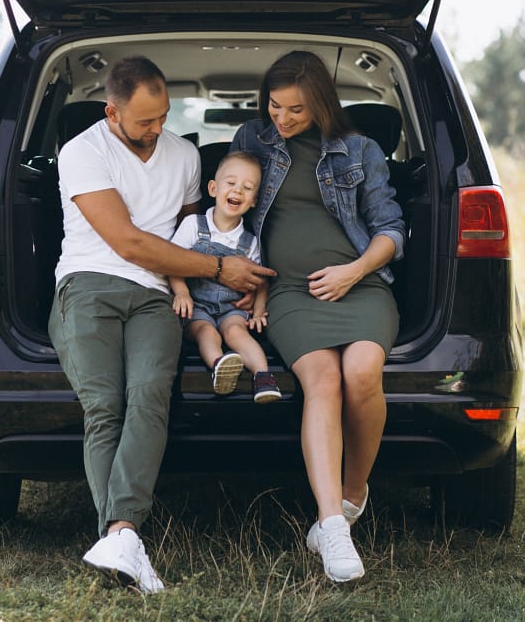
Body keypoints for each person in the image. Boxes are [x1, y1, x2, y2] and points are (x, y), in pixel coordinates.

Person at [47, 56, 276, 594]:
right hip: (88, 283)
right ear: (112, 112)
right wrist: (220, 269)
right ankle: (123, 537)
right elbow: (126, 242)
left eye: (164, 116)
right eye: (145, 121)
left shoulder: (185, 154)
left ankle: (119, 536)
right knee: (105, 405)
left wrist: (223, 281)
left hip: (157, 294)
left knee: (150, 394)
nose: (157, 129)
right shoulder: (83, 152)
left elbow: (193, 232)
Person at [229, 50, 405, 583]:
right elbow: (228, 203)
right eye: (274, 106)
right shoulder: (252, 141)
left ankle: (354, 495)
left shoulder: (360, 150)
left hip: (361, 284)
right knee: (323, 380)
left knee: (360, 376)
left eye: (297, 111)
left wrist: (352, 272)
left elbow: (393, 230)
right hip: (290, 293)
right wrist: (236, 271)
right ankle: (332, 525)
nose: (281, 119)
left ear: (322, 106)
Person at [168, 151, 282, 404]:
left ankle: (263, 377)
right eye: (231, 183)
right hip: (196, 307)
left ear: (254, 201)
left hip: (232, 307)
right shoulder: (192, 225)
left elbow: (262, 279)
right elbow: (173, 263)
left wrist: (259, 309)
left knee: (236, 332)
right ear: (213, 188)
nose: (238, 191)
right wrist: (182, 293)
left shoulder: (250, 241)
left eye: (247, 187)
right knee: (206, 332)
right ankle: (220, 366)